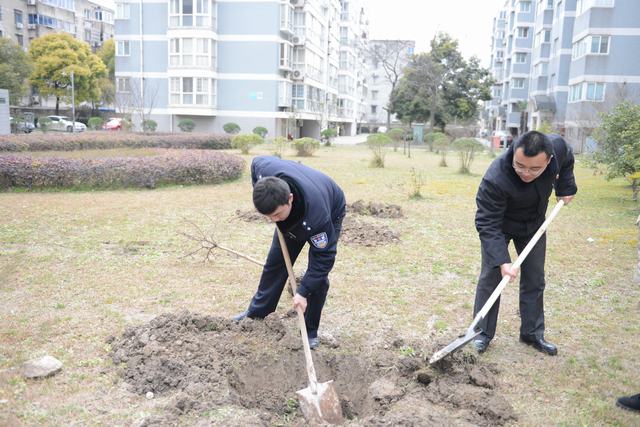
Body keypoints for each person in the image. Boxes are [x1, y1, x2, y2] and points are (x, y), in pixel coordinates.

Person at [472, 130, 577, 355]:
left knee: (534, 278)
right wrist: (502, 261)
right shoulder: (496, 177)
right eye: (520, 165)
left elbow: (568, 156)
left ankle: (532, 333)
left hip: (534, 224)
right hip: (500, 225)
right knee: (491, 277)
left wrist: (565, 187)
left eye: (534, 168)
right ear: (513, 154)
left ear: (549, 160)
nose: (526, 173)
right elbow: (487, 222)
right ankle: (480, 333)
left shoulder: (557, 148)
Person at [233, 156, 346, 350]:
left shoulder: (317, 219)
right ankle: (258, 313)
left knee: (318, 279)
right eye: (268, 216)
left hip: (330, 205)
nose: (272, 220)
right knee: (276, 263)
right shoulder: (263, 170)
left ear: (290, 198)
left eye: (276, 214)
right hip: (300, 199)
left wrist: (302, 292)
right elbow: (255, 164)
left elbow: (324, 259)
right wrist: (271, 208)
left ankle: (309, 330)